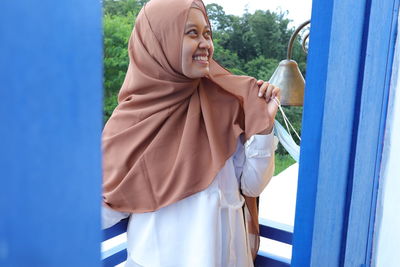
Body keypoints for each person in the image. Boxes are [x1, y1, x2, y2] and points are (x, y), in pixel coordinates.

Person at [102, 0, 281, 266]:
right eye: (192, 33)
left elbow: (252, 186)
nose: (206, 44)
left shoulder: (227, 102)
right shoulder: (129, 124)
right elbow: (104, 212)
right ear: (158, 43)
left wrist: (264, 125)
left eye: (207, 34)